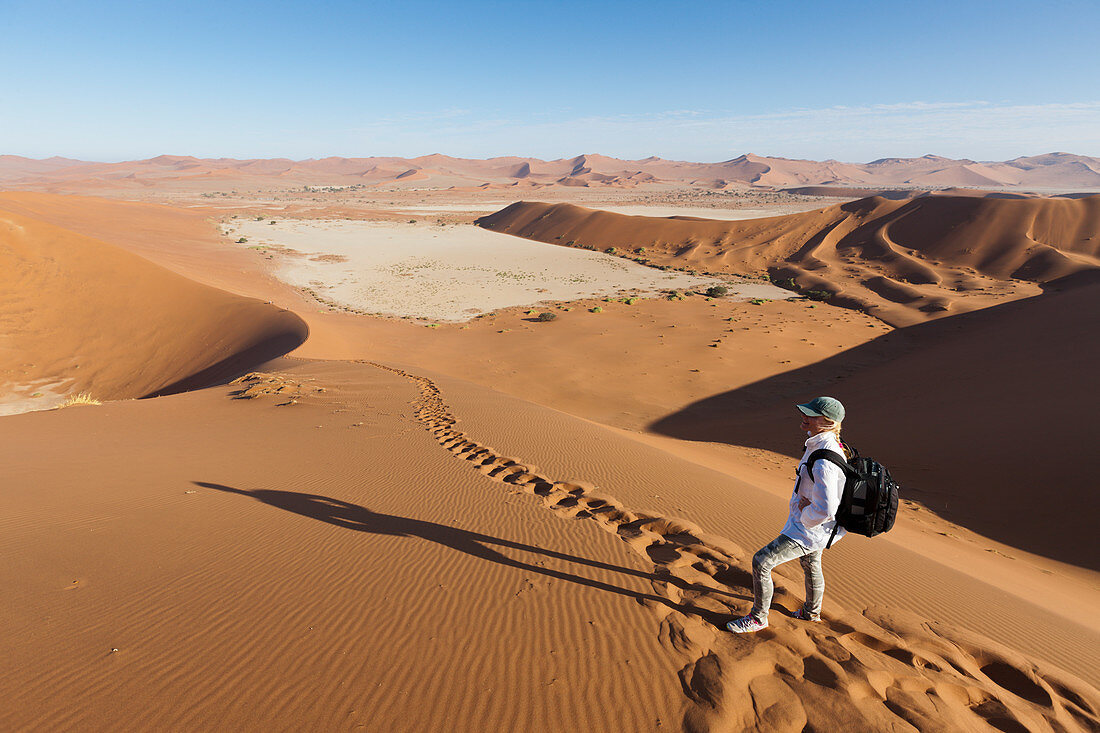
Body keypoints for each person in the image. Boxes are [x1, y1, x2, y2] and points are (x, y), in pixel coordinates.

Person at [727, 396, 847, 633]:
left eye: (811, 415)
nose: (804, 417)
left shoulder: (825, 459)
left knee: (761, 561)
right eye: (805, 412)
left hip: (809, 528)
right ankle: (811, 613)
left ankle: (759, 618)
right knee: (811, 563)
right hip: (817, 528)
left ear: (828, 422)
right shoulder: (822, 444)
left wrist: (804, 513)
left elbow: (825, 509)